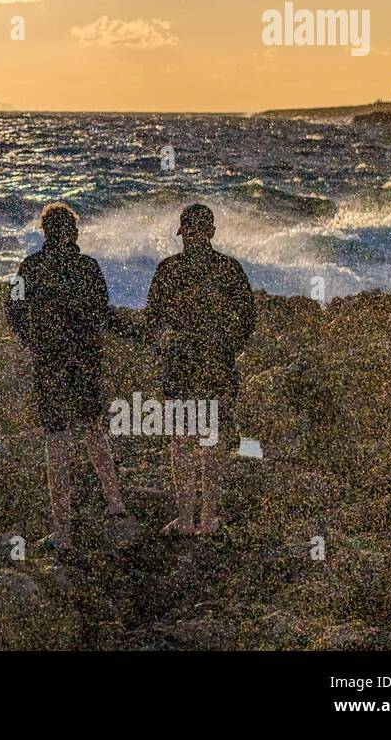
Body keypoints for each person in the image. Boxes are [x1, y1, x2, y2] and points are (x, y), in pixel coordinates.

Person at [6, 202, 128, 552]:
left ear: (44, 232)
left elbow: (13, 310)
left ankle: (63, 530)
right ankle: (115, 504)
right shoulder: (88, 267)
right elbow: (103, 314)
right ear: (73, 233)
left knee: (56, 440)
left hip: (51, 364)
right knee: (93, 431)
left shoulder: (30, 267)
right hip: (86, 361)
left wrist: (33, 340)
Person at [145, 204, 255, 536]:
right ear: (212, 232)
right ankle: (207, 520)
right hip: (217, 366)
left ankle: (185, 519)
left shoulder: (169, 269)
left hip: (181, 366)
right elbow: (246, 320)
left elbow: (153, 320)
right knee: (213, 440)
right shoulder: (229, 269)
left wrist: (165, 342)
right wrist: (227, 348)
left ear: (187, 233)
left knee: (182, 440)